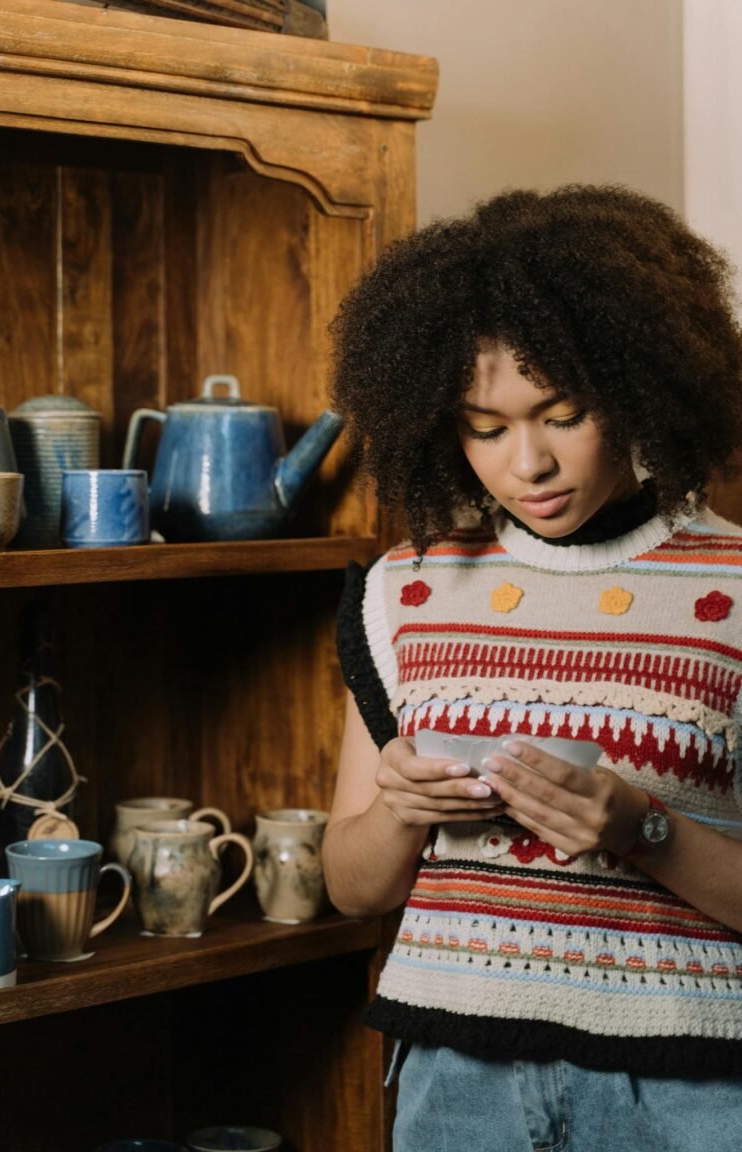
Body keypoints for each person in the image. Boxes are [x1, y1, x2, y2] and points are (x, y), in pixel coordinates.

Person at [321, 184, 742, 1152]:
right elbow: (353, 886)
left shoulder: (732, 586)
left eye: (561, 413)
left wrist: (639, 826)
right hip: (457, 1089)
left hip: (687, 1094)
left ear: (634, 383)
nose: (528, 464)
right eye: (486, 426)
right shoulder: (407, 592)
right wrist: (400, 811)